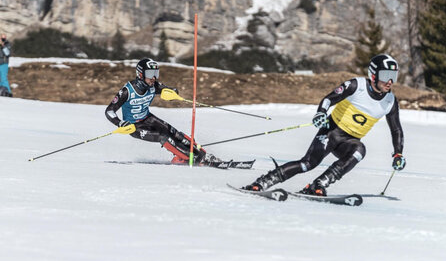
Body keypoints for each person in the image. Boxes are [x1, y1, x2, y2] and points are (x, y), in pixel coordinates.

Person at [243, 54, 406, 195]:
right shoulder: (356, 86)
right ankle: (263, 182)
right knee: (307, 164)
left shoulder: (390, 101)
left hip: (349, 142)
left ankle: (318, 185)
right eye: (385, 75)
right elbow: (329, 99)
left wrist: (398, 153)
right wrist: (321, 112)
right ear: (373, 75)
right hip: (331, 132)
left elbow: (396, 129)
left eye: (393, 76)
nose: (390, 81)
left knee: (359, 150)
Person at [105, 58, 215, 165]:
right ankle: (190, 158)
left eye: (156, 73)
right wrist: (119, 123)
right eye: (150, 74)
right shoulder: (127, 91)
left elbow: (168, 89)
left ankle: (202, 154)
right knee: (163, 137)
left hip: (148, 118)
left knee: (174, 133)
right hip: (134, 127)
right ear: (140, 74)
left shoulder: (153, 86)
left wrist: (173, 93)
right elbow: (109, 111)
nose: (153, 78)